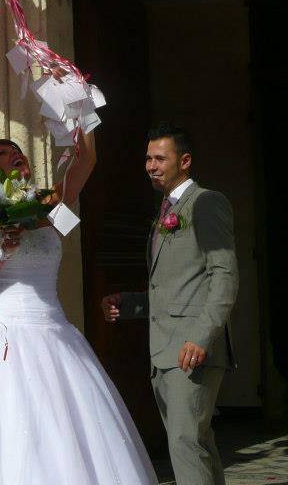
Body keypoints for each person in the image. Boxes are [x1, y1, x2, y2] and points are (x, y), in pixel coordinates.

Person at [0, 131, 157, 485]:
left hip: (55, 334)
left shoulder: (50, 203)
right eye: (3, 154)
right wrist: (1, 256)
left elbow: (86, 160)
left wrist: (80, 100)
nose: (15, 154)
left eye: (17, 150)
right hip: (0, 340)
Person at [101, 123, 238, 485]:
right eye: (148, 158)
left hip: (191, 350)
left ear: (186, 161)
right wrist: (129, 304)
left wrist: (202, 337)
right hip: (164, 350)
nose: (151, 165)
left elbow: (224, 275)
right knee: (197, 443)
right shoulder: (166, 209)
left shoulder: (206, 203)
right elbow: (175, 286)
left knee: (185, 442)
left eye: (160, 158)